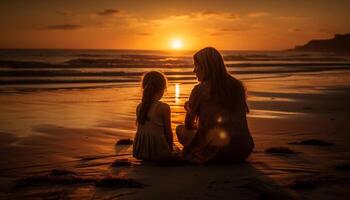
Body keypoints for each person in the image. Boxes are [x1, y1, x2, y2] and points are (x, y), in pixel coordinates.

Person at [176, 47, 254, 164]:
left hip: (218, 152)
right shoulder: (237, 86)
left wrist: (189, 108)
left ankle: (198, 151)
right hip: (243, 149)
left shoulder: (200, 90)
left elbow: (189, 124)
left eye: (197, 65)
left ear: (206, 67)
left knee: (180, 130)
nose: (194, 70)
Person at [133, 71, 174, 161]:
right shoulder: (163, 107)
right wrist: (170, 151)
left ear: (144, 87)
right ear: (162, 88)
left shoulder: (139, 107)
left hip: (140, 152)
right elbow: (168, 133)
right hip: (159, 152)